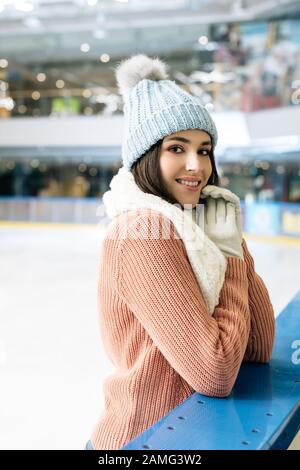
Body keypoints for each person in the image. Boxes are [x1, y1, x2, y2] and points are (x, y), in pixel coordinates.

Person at [86, 54, 275, 450]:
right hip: (144, 439)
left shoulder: (194, 223)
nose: (196, 165)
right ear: (146, 156)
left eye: (205, 150)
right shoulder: (142, 231)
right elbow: (217, 371)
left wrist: (229, 242)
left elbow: (257, 346)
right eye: (177, 148)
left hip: (195, 433)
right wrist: (227, 252)